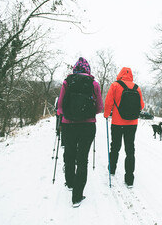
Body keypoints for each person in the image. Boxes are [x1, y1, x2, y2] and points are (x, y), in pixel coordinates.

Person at [57, 57, 103, 207]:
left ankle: (69, 182)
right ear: (88, 69)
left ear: (75, 69)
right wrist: (88, 114)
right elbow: (100, 108)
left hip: (68, 125)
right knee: (82, 159)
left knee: (69, 154)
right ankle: (76, 197)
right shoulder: (93, 83)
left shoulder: (67, 82)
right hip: (87, 126)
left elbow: (60, 106)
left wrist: (64, 116)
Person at [104, 67, 145, 187]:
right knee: (130, 149)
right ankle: (129, 179)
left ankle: (112, 169)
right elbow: (141, 105)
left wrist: (107, 114)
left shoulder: (115, 85)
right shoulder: (137, 87)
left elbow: (108, 102)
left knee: (115, 146)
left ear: (120, 74)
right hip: (132, 123)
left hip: (117, 122)